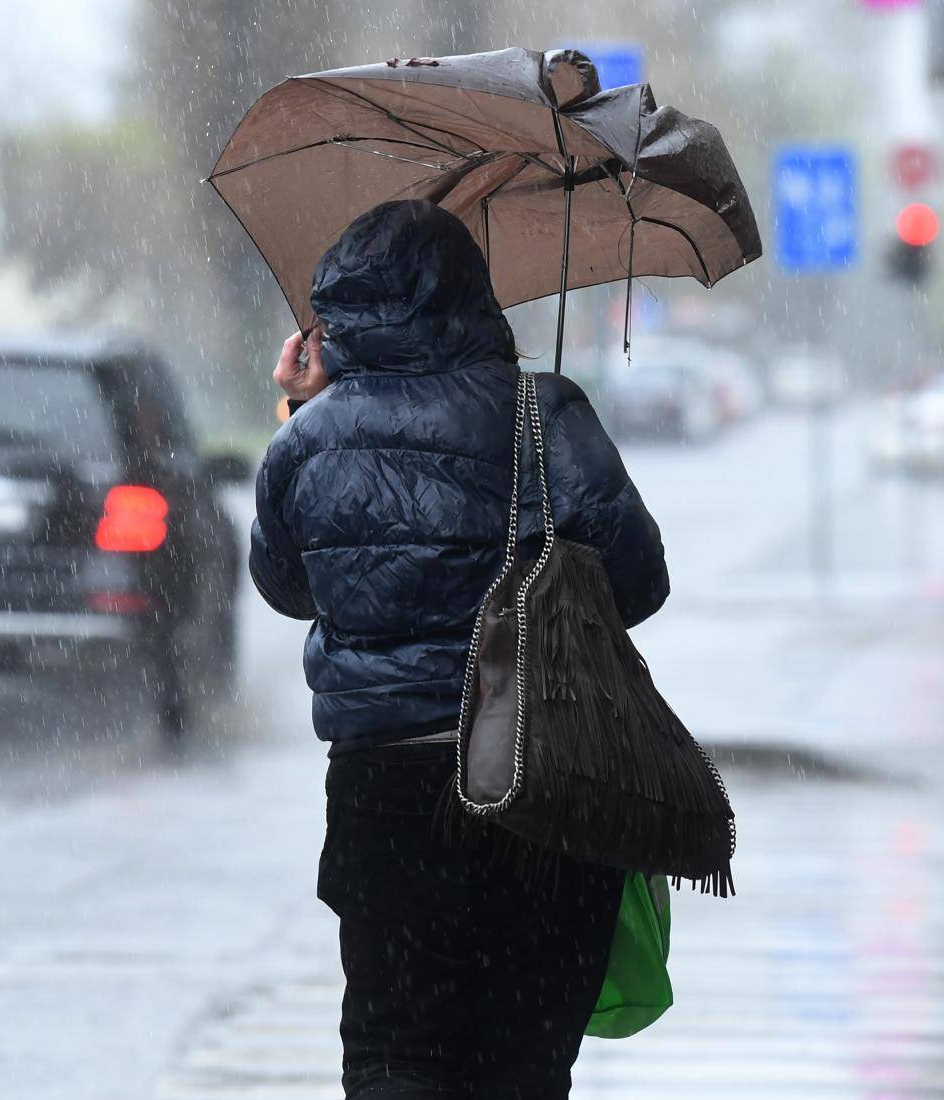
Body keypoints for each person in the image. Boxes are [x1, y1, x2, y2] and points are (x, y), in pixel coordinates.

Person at [250, 199, 670, 1099]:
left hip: (384, 794)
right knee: (521, 1064)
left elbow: (287, 587)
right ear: (472, 296)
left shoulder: (306, 440)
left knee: (394, 1051)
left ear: (338, 314)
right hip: (541, 782)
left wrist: (299, 409)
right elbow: (640, 584)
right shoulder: (544, 415)